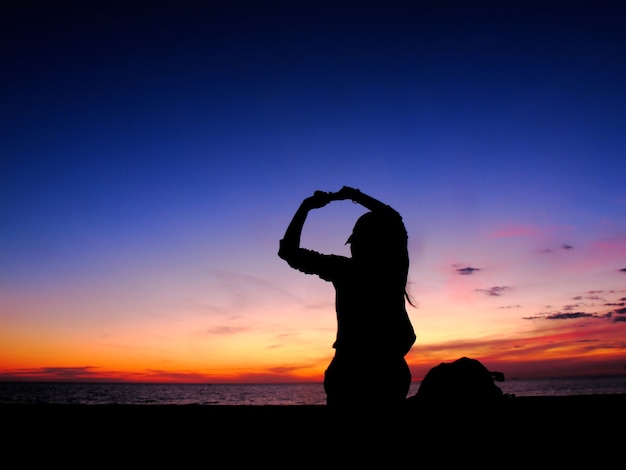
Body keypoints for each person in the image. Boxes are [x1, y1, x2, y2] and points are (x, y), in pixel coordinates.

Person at [278, 186, 416, 409]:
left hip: (351, 370)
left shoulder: (346, 270)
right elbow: (394, 219)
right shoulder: (393, 269)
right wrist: (353, 196)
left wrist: (306, 207)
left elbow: (289, 253)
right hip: (385, 370)